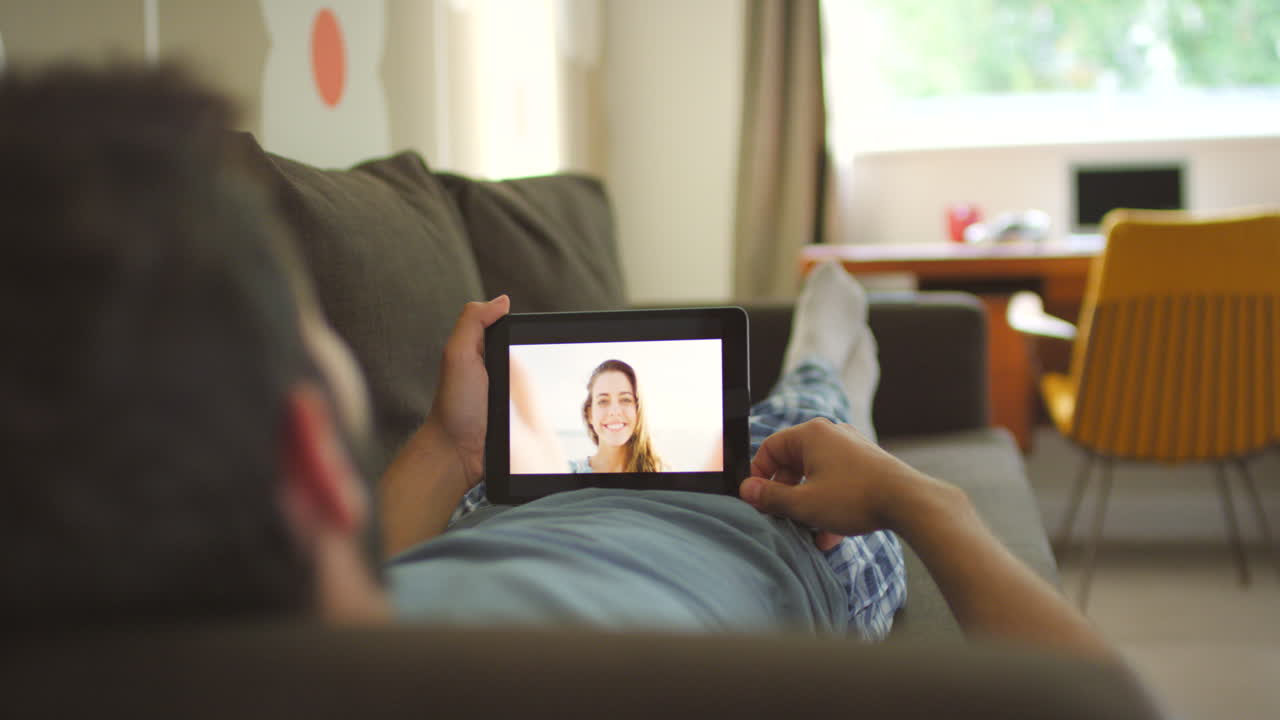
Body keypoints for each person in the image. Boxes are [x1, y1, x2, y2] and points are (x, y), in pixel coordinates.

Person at [1, 64, 1115, 660]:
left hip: (506, 510)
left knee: (758, 432)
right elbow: (1093, 704)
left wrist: (447, 441)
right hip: (759, 541)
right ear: (311, 460)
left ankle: (819, 379)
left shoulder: (254, 626)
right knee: (805, 430)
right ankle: (831, 370)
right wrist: (926, 508)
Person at [569, 359, 666, 473]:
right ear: (590, 414)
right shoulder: (566, 471)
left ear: (638, 410)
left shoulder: (662, 474)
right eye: (603, 401)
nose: (614, 411)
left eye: (625, 399)